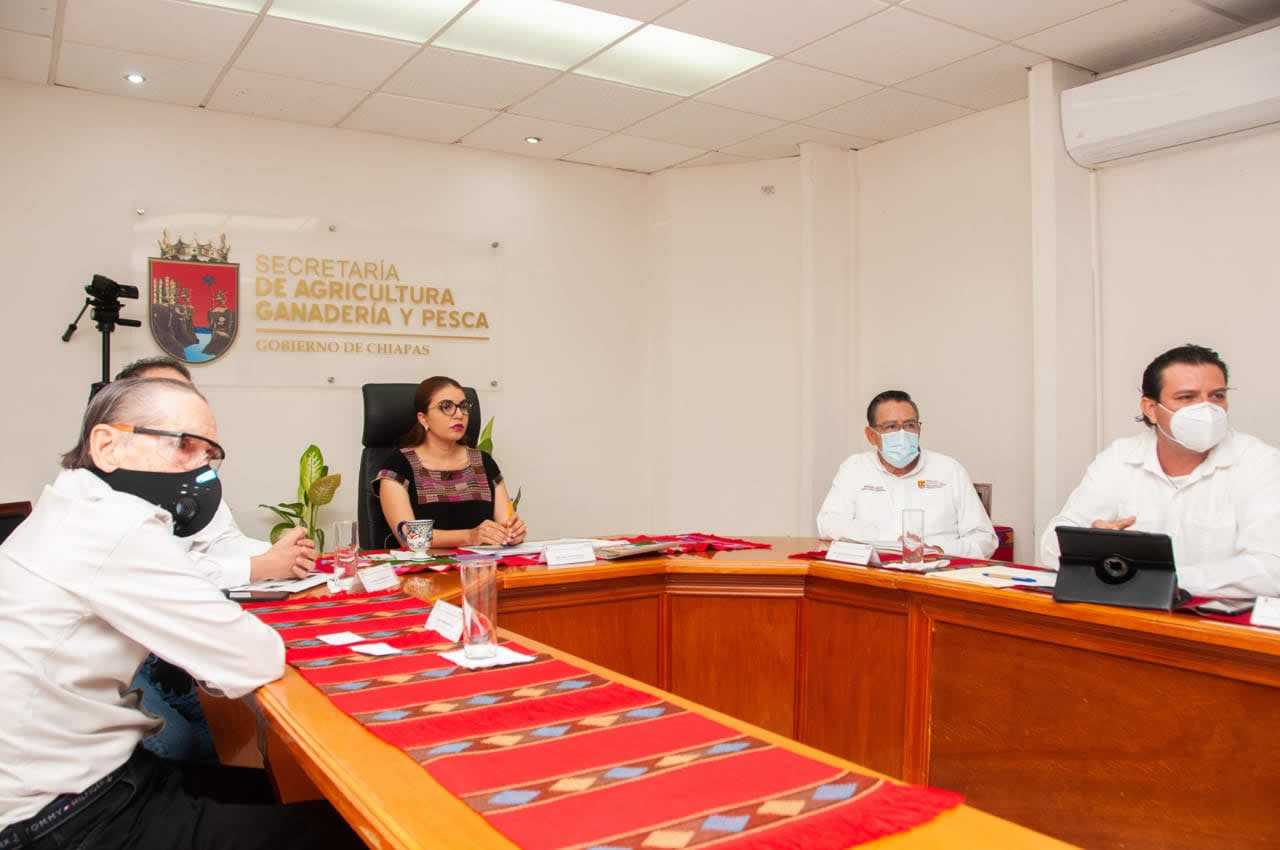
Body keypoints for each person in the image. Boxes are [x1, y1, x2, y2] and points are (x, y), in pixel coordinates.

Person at [0, 377, 363, 849]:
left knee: (294, 793)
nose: (201, 471)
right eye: (184, 446)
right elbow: (251, 657)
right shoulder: (114, 525)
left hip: (91, 777)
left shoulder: (72, 505)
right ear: (107, 445)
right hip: (62, 818)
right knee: (352, 831)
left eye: (209, 455)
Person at [115, 357, 315, 763]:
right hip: (115, 661)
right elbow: (163, 576)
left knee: (227, 732)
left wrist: (281, 554)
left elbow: (222, 541)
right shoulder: (109, 499)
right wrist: (262, 567)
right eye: (159, 401)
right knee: (180, 744)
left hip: (162, 649)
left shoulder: (189, 477)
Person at [1039, 344, 1280, 598]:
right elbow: (1052, 544)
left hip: (1220, 619)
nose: (1207, 409)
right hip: (1129, 614)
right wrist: (1090, 546)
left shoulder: (1262, 463)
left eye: (1217, 396)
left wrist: (1156, 577)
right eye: (1187, 397)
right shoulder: (1119, 458)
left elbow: (1271, 568)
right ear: (1151, 409)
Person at [817, 390, 997, 559]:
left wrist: (939, 550)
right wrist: (889, 540)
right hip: (874, 573)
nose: (902, 434)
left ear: (919, 429)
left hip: (938, 571)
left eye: (910, 425)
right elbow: (828, 523)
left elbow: (985, 540)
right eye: (891, 426)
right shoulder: (855, 468)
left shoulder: (950, 470)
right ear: (871, 435)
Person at [376, 376, 526, 549]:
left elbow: (506, 525)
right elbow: (409, 537)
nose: (459, 414)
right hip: (425, 564)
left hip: (483, 564)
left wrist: (513, 533)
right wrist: (469, 536)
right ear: (423, 419)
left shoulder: (483, 463)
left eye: (463, 407)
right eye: (446, 407)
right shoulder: (399, 465)